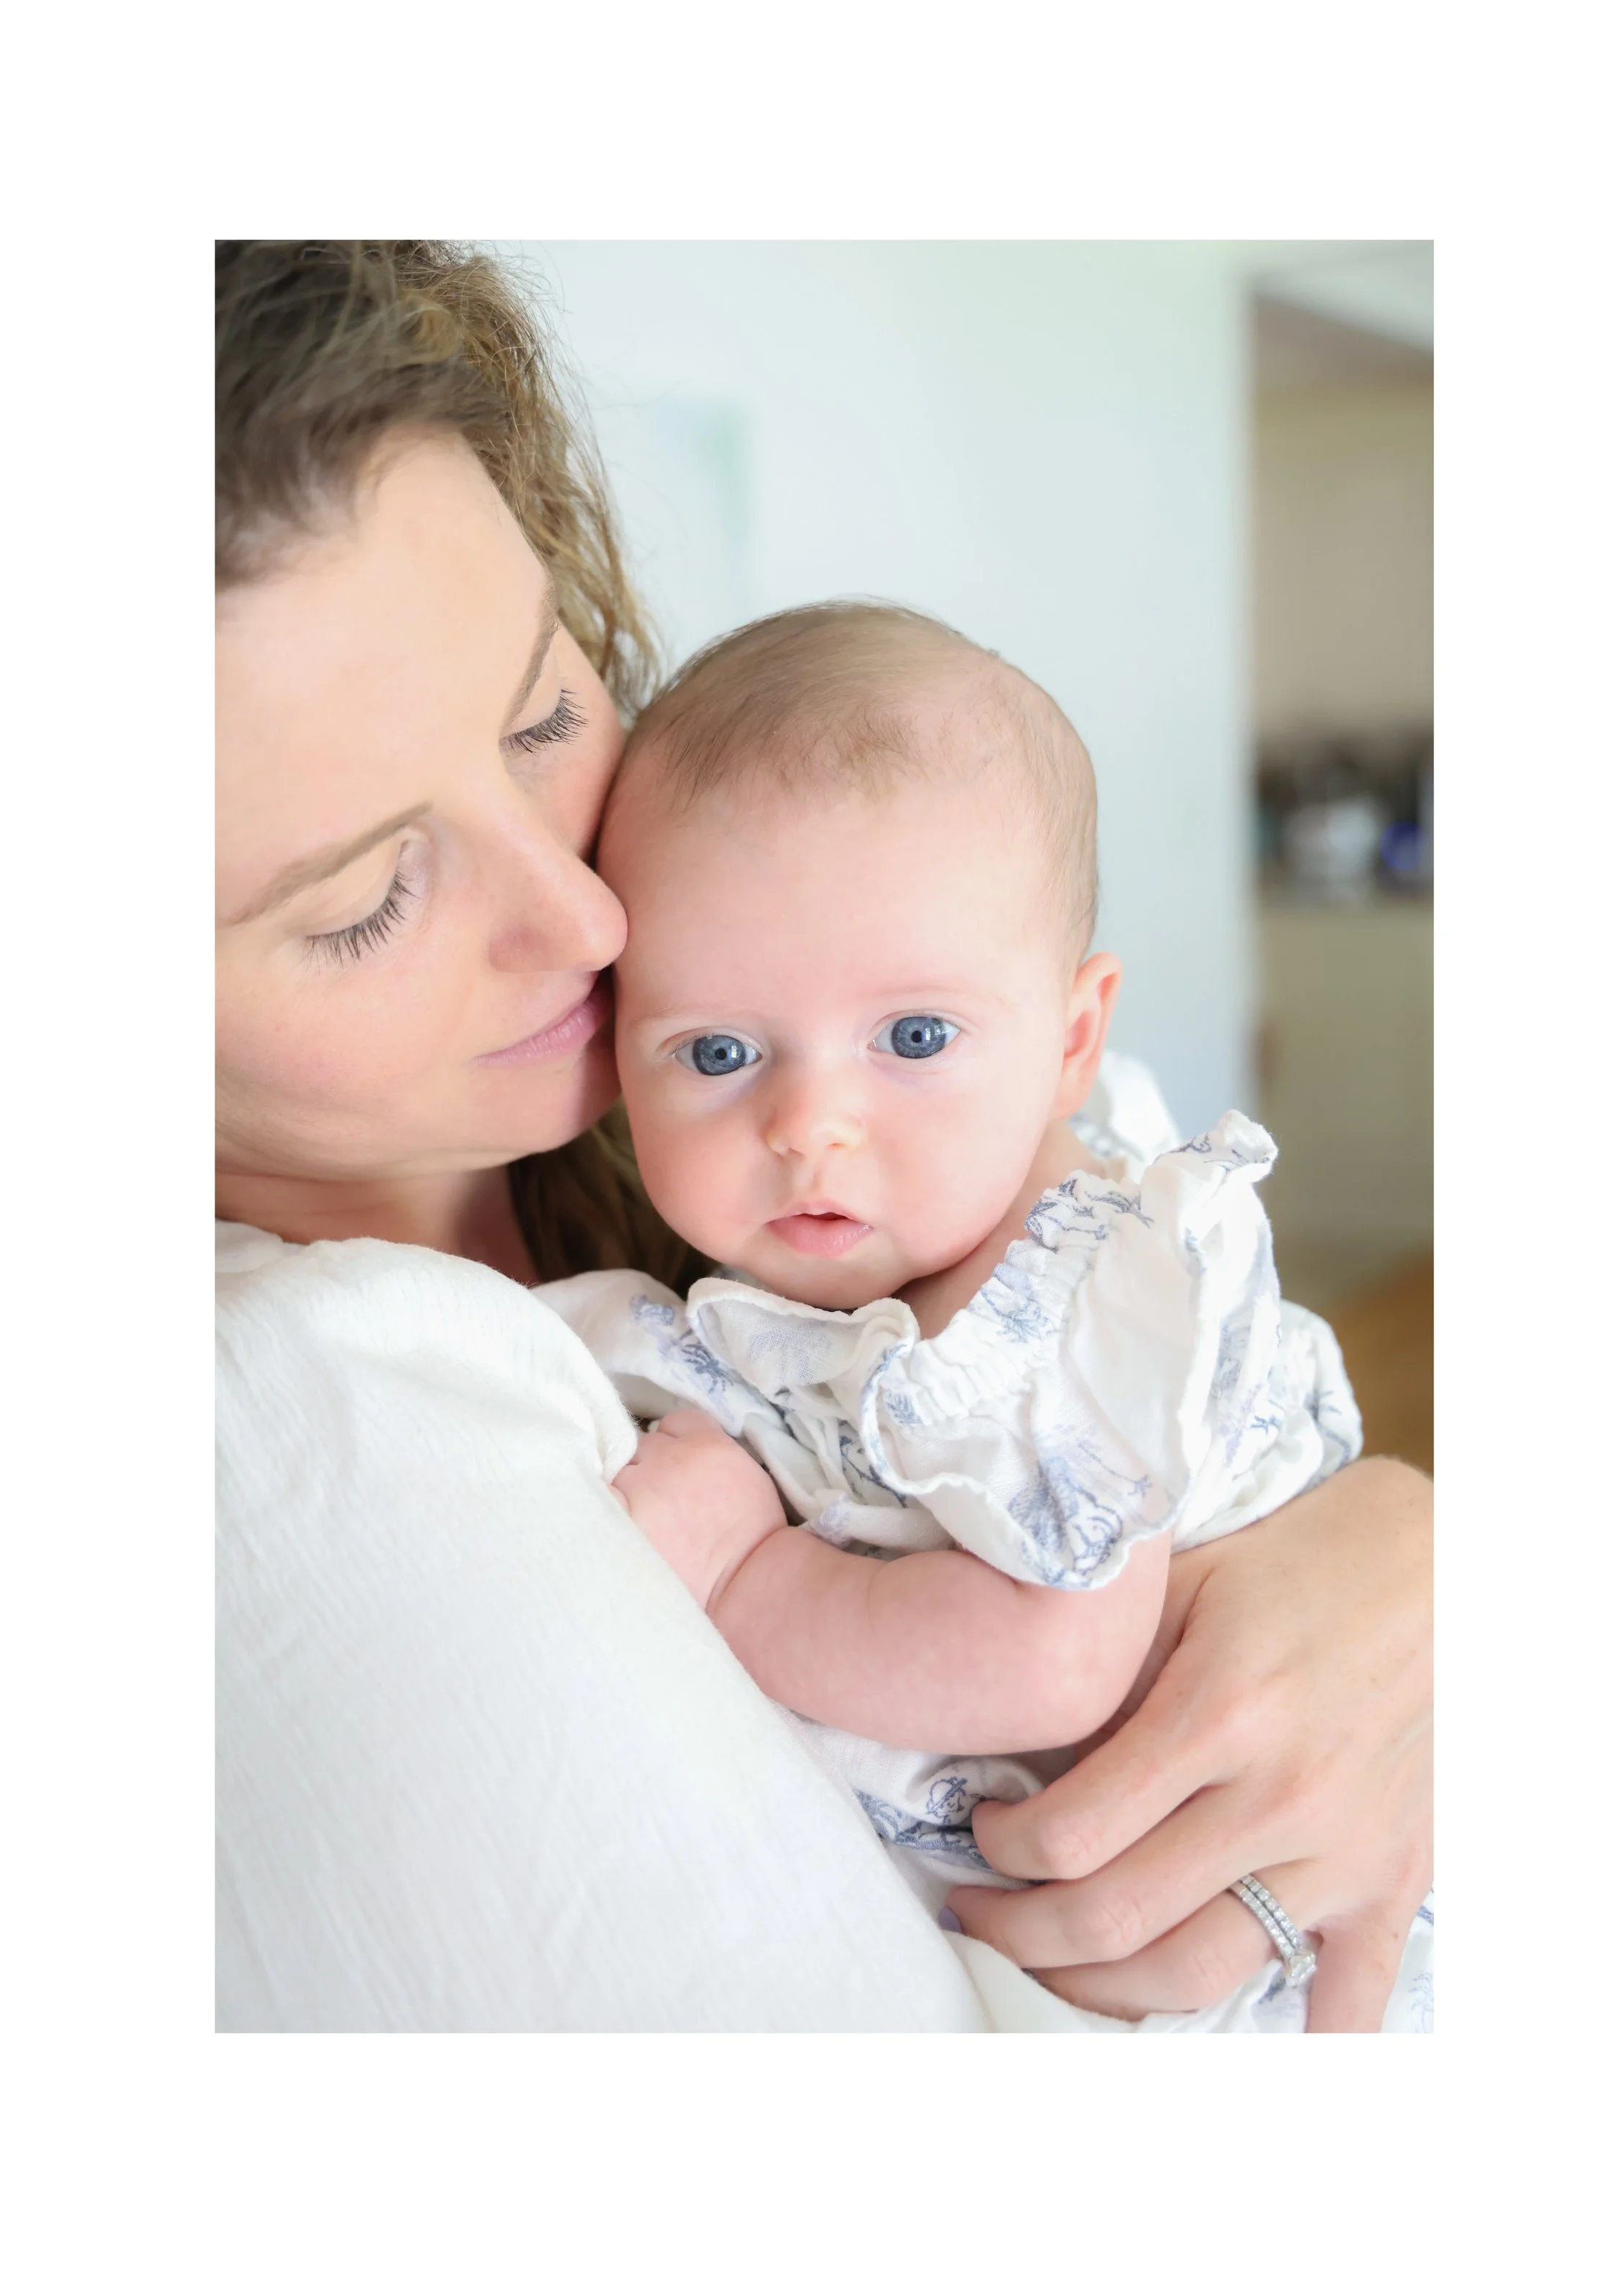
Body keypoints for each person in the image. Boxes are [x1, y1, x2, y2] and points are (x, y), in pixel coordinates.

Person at [216, 239, 1433, 2031]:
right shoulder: (293, 1422)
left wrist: (1389, 1561)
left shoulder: (726, 1189)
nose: (588, 917)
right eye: (365, 898)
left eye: (543, 712)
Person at [549, 602, 1377, 1997]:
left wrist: (752, 1578)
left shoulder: (1063, 1297)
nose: (809, 1124)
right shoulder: (877, 1265)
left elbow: (1055, 1658)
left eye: (915, 1036)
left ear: (1072, 1040)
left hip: (1262, 1936)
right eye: (718, 1050)